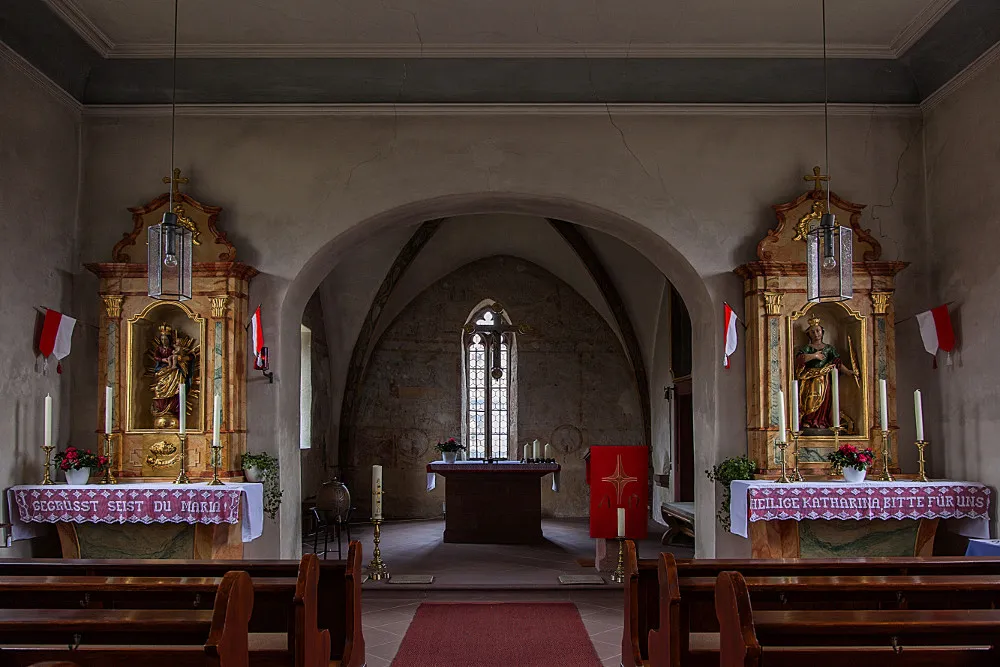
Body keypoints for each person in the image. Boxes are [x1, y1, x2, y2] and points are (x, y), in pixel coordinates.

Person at [795, 316, 857, 431]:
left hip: (825, 378)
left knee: (824, 400)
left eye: (817, 331)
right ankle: (809, 419)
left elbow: (837, 363)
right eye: (812, 332)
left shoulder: (829, 348)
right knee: (810, 398)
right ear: (809, 334)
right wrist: (815, 356)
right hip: (810, 377)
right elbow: (800, 359)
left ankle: (821, 420)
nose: (816, 334)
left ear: (822, 332)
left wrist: (848, 372)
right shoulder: (807, 348)